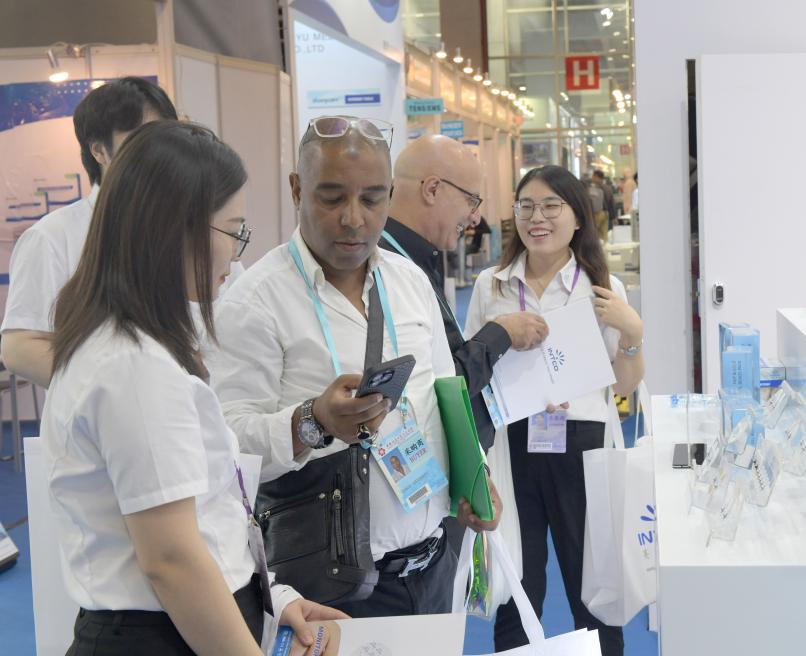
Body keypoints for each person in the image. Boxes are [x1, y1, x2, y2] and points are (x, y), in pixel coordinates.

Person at [43, 120, 345, 655]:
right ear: (176, 230)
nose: (237, 254)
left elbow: (206, 520)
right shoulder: (134, 367)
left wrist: (269, 597)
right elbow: (172, 560)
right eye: (233, 231)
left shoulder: (132, 345)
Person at [209, 116, 502, 618]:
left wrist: (473, 474)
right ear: (297, 189)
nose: (353, 218)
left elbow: (444, 394)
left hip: (433, 562)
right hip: (329, 586)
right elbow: (227, 449)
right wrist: (311, 423)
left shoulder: (409, 281)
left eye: (371, 199)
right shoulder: (255, 301)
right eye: (331, 197)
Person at [465, 165, 645, 656]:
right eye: (526, 206)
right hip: (511, 447)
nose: (536, 218)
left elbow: (624, 385)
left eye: (550, 206)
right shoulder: (491, 286)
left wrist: (632, 333)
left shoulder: (602, 288)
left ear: (577, 217)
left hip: (582, 448)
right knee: (516, 591)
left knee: (593, 589)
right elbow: (470, 373)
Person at [1, 77, 178, 388]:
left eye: (165, 137)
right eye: (141, 138)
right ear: (99, 151)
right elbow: (19, 347)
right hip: (107, 413)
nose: (157, 151)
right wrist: (116, 389)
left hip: (196, 409)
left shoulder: (188, 225)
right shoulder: (52, 236)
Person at [381, 134, 548, 454]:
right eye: (472, 200)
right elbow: (430, 388)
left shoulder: (416, 259)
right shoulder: (391, 270)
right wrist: (500, 334)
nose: (475, 217)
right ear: (432, 189)